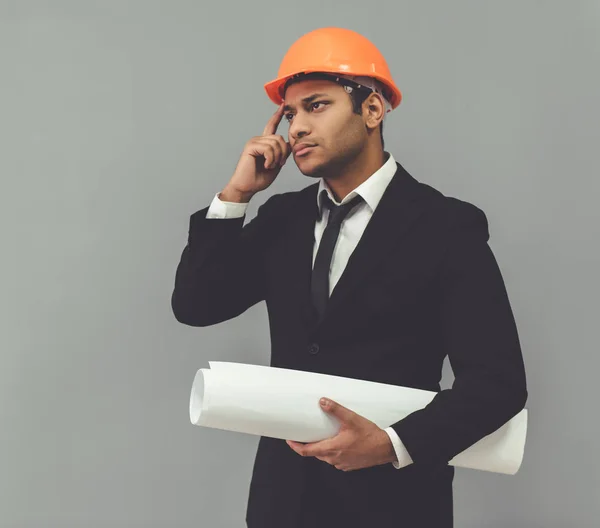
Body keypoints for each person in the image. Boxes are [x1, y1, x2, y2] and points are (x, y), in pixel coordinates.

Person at [171, 27, 527, 528]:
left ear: (373, 111)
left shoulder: (446, 226)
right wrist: (235, 196)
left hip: (394, 505)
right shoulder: (282, 220)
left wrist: (390, 443)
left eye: (316, 106)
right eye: (290, 112)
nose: (294, 128)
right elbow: (196, 306)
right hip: (283, 504)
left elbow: (498, 384)